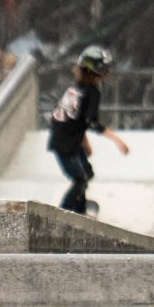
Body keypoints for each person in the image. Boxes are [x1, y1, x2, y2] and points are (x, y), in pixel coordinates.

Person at [46, 45, 129, 216]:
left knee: (87, 172)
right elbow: (91, 122)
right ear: (98, 71)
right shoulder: (92, 92)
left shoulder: (74, 89)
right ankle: (64, 213)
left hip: (67, 140)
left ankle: (80, 207)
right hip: (67, 145)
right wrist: (117, 140)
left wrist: (85, 143)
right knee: (80, 179)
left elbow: (75, 120)